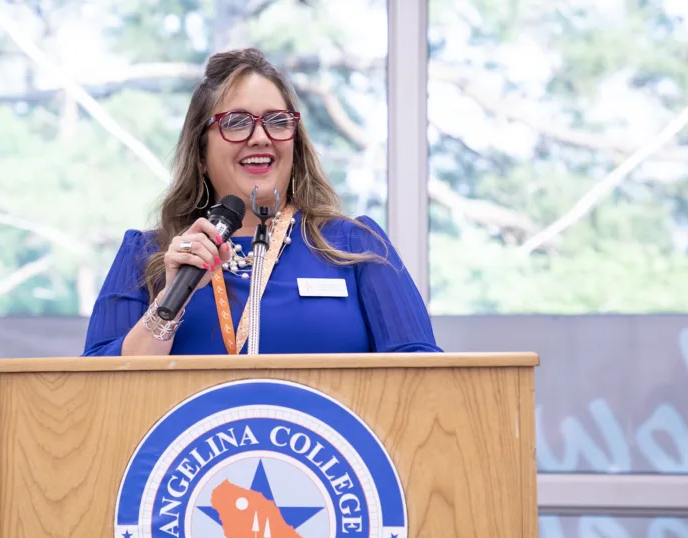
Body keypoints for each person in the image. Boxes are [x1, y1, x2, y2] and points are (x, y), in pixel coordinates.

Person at [83, 48, 440, 356]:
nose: (259, 137)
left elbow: (424, 378)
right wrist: (168, 303)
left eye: (276, 121)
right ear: (201, 153)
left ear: (295, 142)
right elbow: (97, 391)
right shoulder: (148, 255)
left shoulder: (355, 246)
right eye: (236, 122)